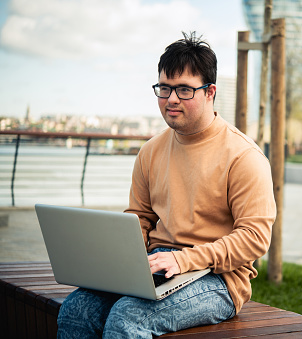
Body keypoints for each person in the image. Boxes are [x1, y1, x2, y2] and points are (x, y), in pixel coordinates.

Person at [57, 32, 277, 338]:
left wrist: (184, 259)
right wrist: (116, 258)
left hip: (218, 279)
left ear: (210, 92)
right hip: (157, 264)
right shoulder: (150, 151)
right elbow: (140, 217)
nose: (171, 98)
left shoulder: (244, 156)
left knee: (127, 318)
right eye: (165, 88)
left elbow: (254, 238)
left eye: (185, 89)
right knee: (75, 309)